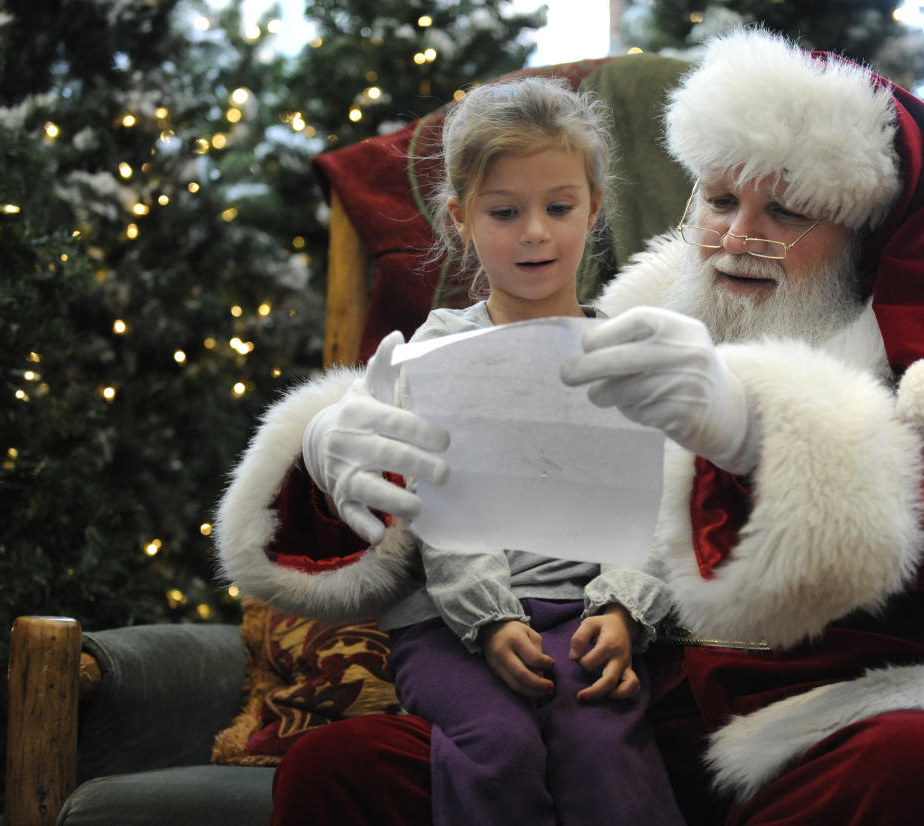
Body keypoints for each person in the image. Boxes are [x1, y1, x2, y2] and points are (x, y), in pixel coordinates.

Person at [216, 27, 924, 826]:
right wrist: (326, 464)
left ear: (857, 235)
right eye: (721, 199)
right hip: (607, 696)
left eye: (787, 214)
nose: (739, 237)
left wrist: (753, 435)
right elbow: (464, 503)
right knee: (343, 766)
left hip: (817, 719)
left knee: (922, 761)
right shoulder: (620, 320)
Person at [270, 75, 684, 826]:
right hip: (447, 628)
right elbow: (439, 501)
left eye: (559, 207)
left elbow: (658, 501)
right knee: (497, 744)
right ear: (460, 220)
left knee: (604, 746)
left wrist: (624, 607)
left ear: (593, 208)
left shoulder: (627, 357)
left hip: (586, 615)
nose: (535, 232)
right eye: (505, 212)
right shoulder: (435, 352)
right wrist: (489, 620)